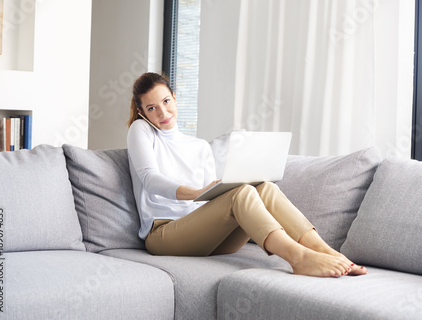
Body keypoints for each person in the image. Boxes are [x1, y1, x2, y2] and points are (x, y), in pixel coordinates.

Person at [127, 72, 367, 278]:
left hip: (206, 238)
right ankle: (299, 258)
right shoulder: (142, 130)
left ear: (175, 98)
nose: (162, 112)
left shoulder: (199, 146)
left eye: (166, 101)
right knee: (241, 195)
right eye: (152, 108)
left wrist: (214, 190)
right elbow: (150, 178)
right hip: (164, 235)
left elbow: (208, 203)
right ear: (141, 112)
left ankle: (326, 251)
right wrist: (195, 193)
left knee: (265, 188)